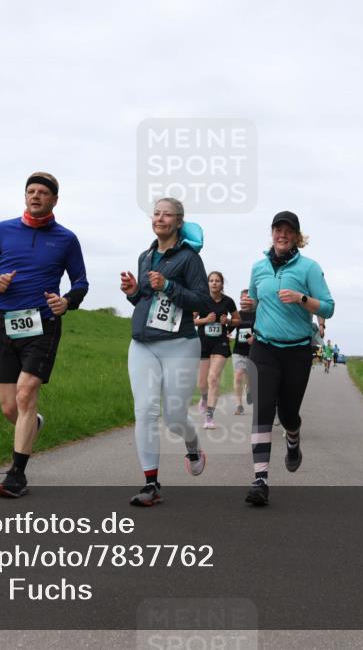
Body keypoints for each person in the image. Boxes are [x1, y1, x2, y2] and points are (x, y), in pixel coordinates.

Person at [0, 172, 88, 498]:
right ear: (25, 196)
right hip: (7, 321)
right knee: (10, 407)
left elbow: (80, 282)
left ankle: (17, 475)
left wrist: (67, 301)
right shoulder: (3, 230)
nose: (35, 196)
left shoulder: (66, 239)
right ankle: (32, 424)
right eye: (30, 191)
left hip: (44, 323)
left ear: (54, 199)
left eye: (42, 192)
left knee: (25, 393)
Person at [121, 197, 211, 506]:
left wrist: (168, 286)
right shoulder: (145, 257)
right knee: (144, 411)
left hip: (180, 345)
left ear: (179, 222)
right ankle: (150, 484)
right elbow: (146, 302)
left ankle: (193, 445)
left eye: (167, 214)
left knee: (174, 417)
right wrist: (134, 292)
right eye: (156, 213)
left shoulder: (189, 259)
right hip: (142, 344)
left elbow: (202, 301)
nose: (160, 218)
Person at [245, 211, 334, 506]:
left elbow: (329, 308)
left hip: (296, 351)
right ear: (271, 233)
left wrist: (302, 299)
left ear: (296, 236)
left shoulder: (309, 268)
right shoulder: (258, 268)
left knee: (288, 413)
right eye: (277, 229)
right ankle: (260, 480)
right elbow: (256, 304)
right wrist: (248, 306)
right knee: (262, 411)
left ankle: (293, 438)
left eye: (288, 230)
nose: (281, 235)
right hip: (264, 348)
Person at [193, 272, 239, 428]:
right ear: (208, 283)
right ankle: (204, 398)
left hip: (220, 343)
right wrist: (206, 320)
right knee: (201, 383)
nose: (214, 283)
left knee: (213, 378)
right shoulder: (201, 300)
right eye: (211, 281)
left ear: (222, 284)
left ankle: (209, 417)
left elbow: (237, 320)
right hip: (203, 342)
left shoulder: (228, 302)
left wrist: (228, 321)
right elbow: (191, 320)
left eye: (217, 281)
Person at [230, 289, 255, 415]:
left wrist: (254, 337)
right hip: (238, 350)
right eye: (243, 298)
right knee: (239, 374)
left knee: (249, 376)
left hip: (253, 351)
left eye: (248, 298)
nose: (245, 301)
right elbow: (229, 328)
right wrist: (226, 333)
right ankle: (239, 405)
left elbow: (264, 329)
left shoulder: (258, 314)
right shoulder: (237, 315)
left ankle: (249, 388)